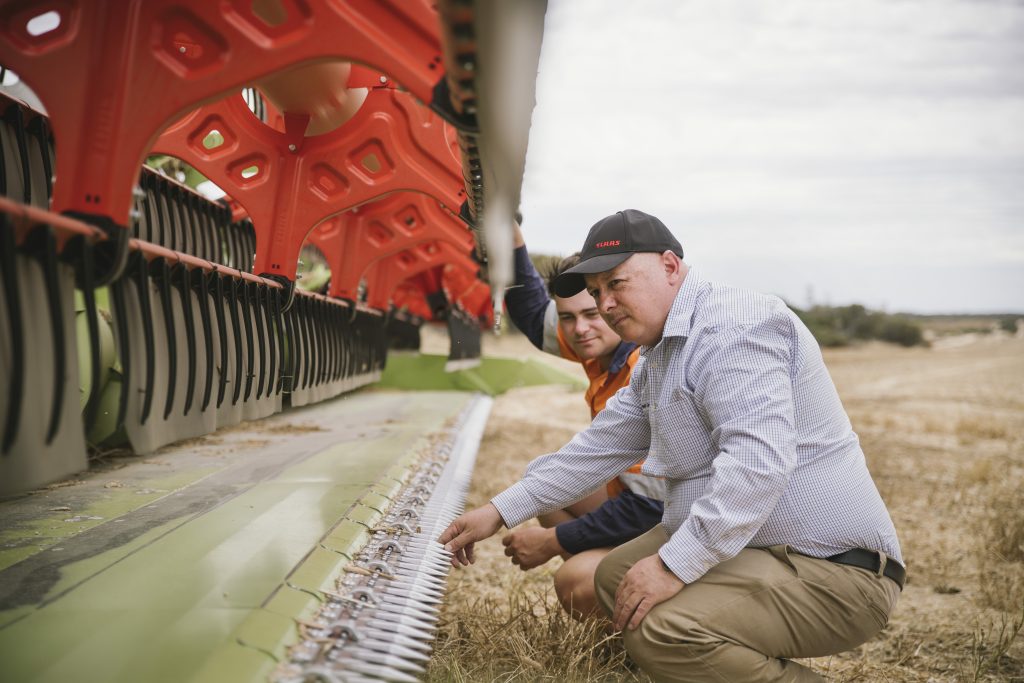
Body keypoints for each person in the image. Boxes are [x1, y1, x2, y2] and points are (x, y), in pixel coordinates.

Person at [439, 209, 904, 682]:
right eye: (596, 291)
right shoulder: (660, 354)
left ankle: (687, 653)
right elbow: (597, 450)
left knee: (662, 630)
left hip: (834, 570)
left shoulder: (733, 328)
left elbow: (757, 468)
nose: (604, 304)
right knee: (613, 575)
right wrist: (498, 511)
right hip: (761, 544)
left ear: (669, 266)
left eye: (616, 283)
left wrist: (671, 565)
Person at [501, 223, 664, 618]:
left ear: (610, 304)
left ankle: (646, 626)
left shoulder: (643, 365)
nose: (579, 329)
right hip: (644, 505)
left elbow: (650, 508)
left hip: (673, 517)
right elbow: (531, 314)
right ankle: (616, 586)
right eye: (568, 318)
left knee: (573, 581)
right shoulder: (598, 345)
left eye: (590, 313)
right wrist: (509, 234)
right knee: (543, 482)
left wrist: (554, 541)